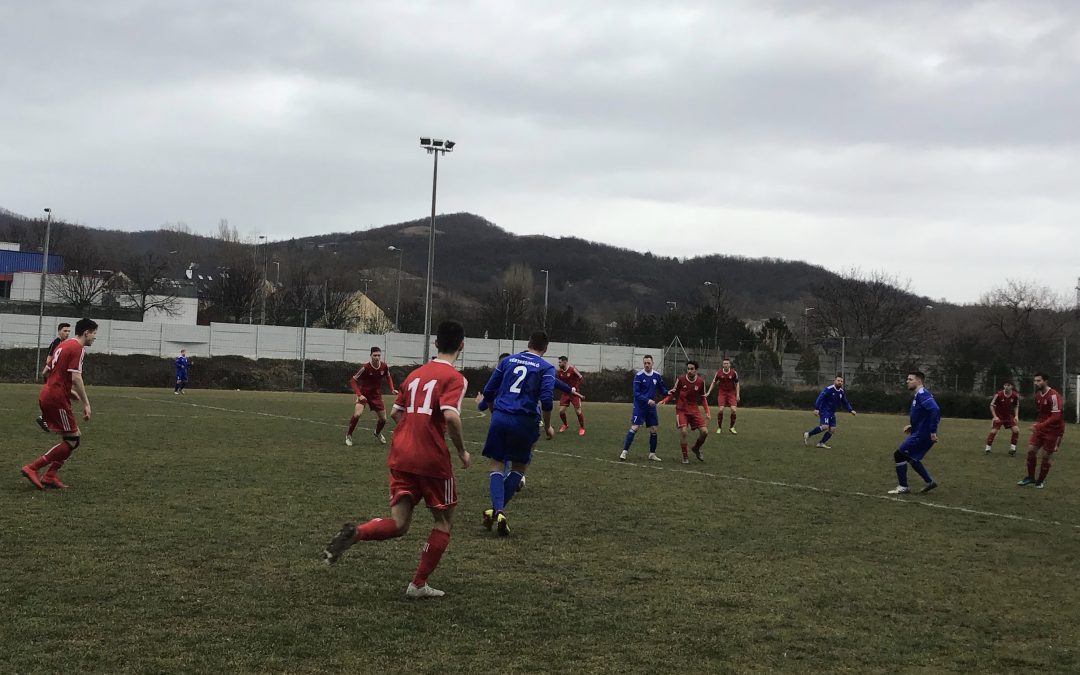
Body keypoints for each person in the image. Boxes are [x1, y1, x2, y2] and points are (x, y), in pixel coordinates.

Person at [321, 320, 471, 599]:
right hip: (431, 459)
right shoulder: (456, 379)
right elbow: (450, 415)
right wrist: (461, 450)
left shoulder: (414, 375)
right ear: (462, 345)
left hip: (401, 453)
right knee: (443, 522)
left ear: (436, 344)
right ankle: (417, 584)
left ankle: (357, 533)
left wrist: (414, 429)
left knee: (400, 523)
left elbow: (395, 414)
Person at [476, 330, 556, 536]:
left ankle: (498, 511)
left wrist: (486, 407)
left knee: (496, 464)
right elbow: (547, 400)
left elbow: (489, 389)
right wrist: (547, 426)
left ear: (528, 342)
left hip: (501, 418)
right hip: (525, 421)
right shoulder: (546, 368)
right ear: (545, 348)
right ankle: (497, 511)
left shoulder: (507, 361)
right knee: (519, 468)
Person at [21, 318, 98, 490]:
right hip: (56, 398)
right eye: (94, 334)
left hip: (49, 394)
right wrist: (87, 403)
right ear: (86, 332)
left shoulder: (62, 345)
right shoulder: (78, 348)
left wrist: (66, 389)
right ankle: (33, 468)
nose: (94, 338)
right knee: (73, 438)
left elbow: (46, 372)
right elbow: (76, 377)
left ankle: (49, 476)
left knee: (71, 439)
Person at [888, 371, 941, 495]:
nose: (907, 381)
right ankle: (929, 481)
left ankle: (903, 486)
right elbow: (925, 414)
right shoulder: (919, 395)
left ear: (919, 381)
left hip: (922, 434)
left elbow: (934, 410)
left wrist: (932, 432)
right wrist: (913, 426)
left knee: (899, 455)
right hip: (919, 431)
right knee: (911, 458)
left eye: (910, 379)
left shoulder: (922, 394)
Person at [1017, 373, 1064, 489]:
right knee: (1031, 451)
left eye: (1039, 381)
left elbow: (1056, 416)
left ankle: (1040, 481)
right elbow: (1042, 414)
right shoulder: (1037, 395)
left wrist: (1040, 425)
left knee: (1045, 456)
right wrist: (1038, 424)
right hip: (1041, 428)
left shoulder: (1054, 396)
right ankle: (1030, 478)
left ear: (1045, 381)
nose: (1036, 383)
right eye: (1035, 381)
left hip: (1053, 430)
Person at [620, 355, 669, 462]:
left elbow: (662, 389)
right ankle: (624, 451)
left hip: (651, 407)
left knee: (654, 429)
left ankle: (652, 454)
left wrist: (668, 393)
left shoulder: (656, 376)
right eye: (645, 363)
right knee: (635, 427)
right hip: (640, 406)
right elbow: (636, 394)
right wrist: (647, 400)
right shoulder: (639, 376)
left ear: (652, 363)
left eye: (648, 363)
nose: (647, 365)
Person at [660, 360, 711, 463]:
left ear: (696, 370)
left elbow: (703, 398)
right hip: (681, 409)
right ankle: (685, 457)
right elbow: (674, 393)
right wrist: (665, 400)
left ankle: (696, 448)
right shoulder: (681, 379)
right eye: (688, 369)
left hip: (694, 409)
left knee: (705, 432)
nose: (689, 371)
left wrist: (707, 412)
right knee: (683, 431)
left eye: (692, 369)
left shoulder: (701, 382)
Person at [346, 346, 398, 446]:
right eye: (375, 355)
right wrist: (359, 395)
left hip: (376, 395)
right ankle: (349, 435)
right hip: (364, 394)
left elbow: (388, 376)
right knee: (357, 415)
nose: (377, 357)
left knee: (383, 419)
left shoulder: (384, 366)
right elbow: (353, 380)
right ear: (371, 355)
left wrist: (392, 389)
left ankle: (377, 433)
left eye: (379, 355)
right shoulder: (365, 368)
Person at [36, 322, 73, 431]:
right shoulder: (55, 343)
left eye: (68, 331)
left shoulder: (66, 343)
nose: (67, 333)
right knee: (55, 400)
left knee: (56, 400)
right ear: (59, 332)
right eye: (65, 331)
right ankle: (46, 418)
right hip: (52, 376)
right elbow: (49, 360)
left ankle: (47, 419)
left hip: (59, 377)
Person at [803, 375, 856, 448]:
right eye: (838, 381)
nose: (840, 382)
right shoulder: (829, 389)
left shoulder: (841, 392)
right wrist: (817, 408)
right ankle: (808, 434)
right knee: (825, 427)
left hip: (832, 412)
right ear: (834, 381)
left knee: (832, 430)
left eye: (841, 381)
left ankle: (821, 443)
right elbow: (820, 398)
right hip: (824, 410)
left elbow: (845, 401)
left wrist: (850, 410)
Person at [704, 357, 740, 435]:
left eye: (727, 363)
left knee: (734, 410)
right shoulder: (719, 373)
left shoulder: (734, 373)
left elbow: (737, 384)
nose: (726, 365)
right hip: (722, 393)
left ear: (729, 364)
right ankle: (719, 427)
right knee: (720, 410)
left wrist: (737, 394)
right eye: (724, 363)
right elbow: (713, 382)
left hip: (731, 393)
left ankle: (732, 427)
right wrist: (708, 392)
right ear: (722, 365)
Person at [984, 381, 1020, 455]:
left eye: (1008, 385)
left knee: (1016, 430)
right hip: (999, 416)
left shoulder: (1015, 395)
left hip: (1008, 416)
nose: (1006, 387)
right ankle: (987, 448)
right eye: (1005, 385)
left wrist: (1016, 416)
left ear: (1011, 387)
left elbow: (1016, 405)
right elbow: (991, 405)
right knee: (993, 431)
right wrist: (995, 417)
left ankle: (1012, 449)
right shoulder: (999, 395)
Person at [556, 356, 586, 436]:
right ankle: (565, 425)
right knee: (561, 411)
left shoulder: (573, 370)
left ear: (565, 362)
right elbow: (560, 382)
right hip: (565, 394)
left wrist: (575, 387)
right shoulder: (559, 372)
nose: (559, 364)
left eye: (560, 362)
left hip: (574, 394)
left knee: (578, 412)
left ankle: (582, 428)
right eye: (559, 362)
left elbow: (581, 378)